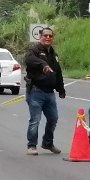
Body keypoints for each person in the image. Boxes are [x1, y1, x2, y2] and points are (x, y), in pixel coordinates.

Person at [24, 27, 65, 155]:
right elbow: (28, 60)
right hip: (36, 91)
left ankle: (48, 143)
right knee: (35, 120)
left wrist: (61, 88)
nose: (48, 38)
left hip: (49, 93)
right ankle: (31, 146)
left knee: (53, 118)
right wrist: (42, 64)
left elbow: (58, 72)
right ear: (39, 37)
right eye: (45, 35)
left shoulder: (53, 54)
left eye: (50, 36)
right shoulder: (33, 51)